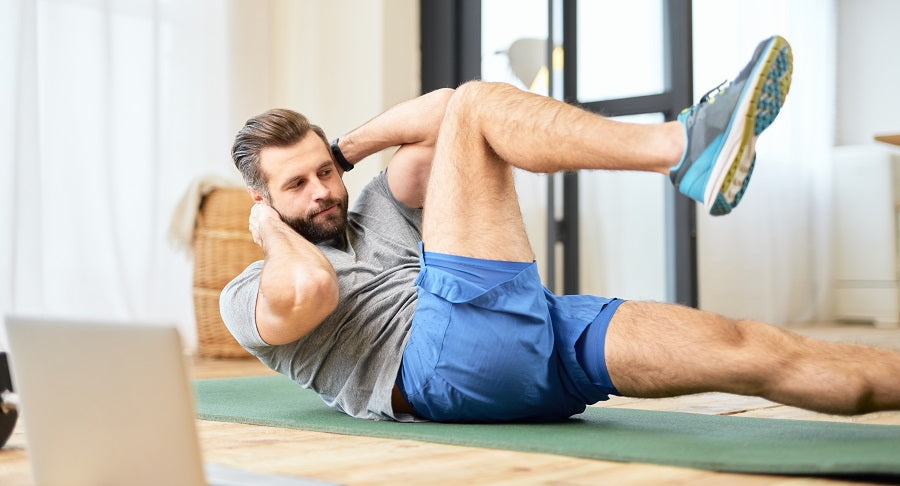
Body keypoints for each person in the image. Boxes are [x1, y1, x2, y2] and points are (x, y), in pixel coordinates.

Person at [221, 36, 900, 423]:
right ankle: (683, 148)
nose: (322, 192)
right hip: (436, 366)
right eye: (297, 185)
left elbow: (441, 113)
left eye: (324, 174)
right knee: (481, 105)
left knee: (752, 349)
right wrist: (268, 229)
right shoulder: (253, 290)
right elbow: (308, 284)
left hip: (537, 338)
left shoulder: (374, 210)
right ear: (262, 199)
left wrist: (344, 149)